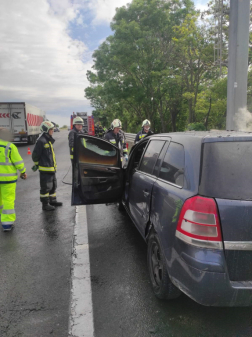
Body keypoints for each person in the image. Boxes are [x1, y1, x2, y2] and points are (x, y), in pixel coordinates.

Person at [0, 128, 27, 231]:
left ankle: (2, 218)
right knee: (8, 200)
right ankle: (7, 223)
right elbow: (18, 162)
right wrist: (23, 172)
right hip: (8, 180)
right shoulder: (10, 147)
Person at [32, 121, 62, 211]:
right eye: (51, 129)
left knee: (53, 186)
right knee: (45, 187)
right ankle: (45, 204)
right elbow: (35, 155)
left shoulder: (48, 140)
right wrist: (38, 164)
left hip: (51, 168)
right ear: (46, 130)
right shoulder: (41, 141)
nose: (53, 131)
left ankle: (52, 201)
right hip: (45, 169)